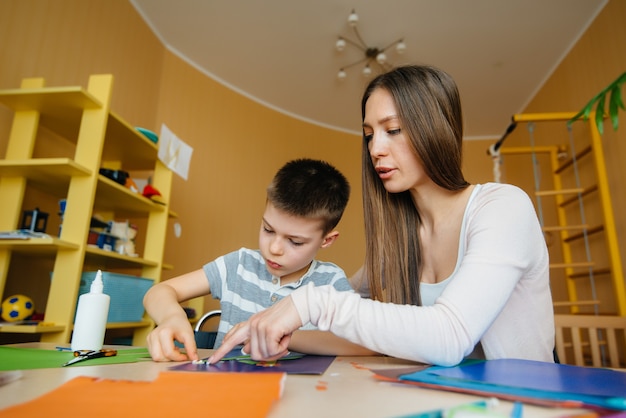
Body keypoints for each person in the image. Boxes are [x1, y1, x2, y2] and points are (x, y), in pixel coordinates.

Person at [209, 65, 555, 367]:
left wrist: (309, 303)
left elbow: (451, 336)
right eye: (369, 135)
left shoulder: (503, 207)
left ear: (434, 128)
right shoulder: (399, 241)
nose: (375, 149)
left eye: (393, 130)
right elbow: (353, 312)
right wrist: (270, 328)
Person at [144, 158, 372, 362]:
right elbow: (159, 292)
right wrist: (172, 317)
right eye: (268, 229)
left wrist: (282, 335)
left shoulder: (330, 281)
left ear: (326, 240)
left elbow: (365, 343)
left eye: (295, 242)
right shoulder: (239, 264)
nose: (274, 248)